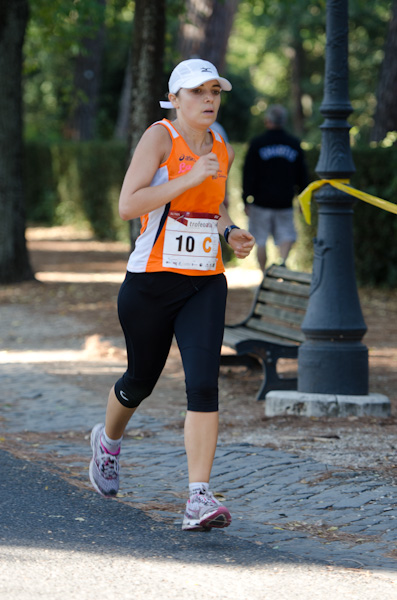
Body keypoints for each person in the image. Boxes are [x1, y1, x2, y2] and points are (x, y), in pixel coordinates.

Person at [89, 58, 255, 532]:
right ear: (175, 98)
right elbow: (128, 205)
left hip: (205, 279)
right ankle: (108, 441)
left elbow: (212, 204)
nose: (208, 100)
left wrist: (230, 231)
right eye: (198, 92)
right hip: (151, 281)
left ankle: (198, 497)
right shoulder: (160, 137)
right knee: (140, 379)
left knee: (203, 384)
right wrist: (187, 178)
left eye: (215, 92)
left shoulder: (220, 143)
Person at [242, 104, 309, 271]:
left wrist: (246, 198)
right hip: (285, 200)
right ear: (284, 121)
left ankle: (264, 274)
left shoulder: (258, 143)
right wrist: (302, 199)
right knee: (286, 235)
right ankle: (283, 263)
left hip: (261, 201)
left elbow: (248, 172)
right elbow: (303, 174)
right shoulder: (293, 143)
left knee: (261, 240)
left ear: (267, 121)